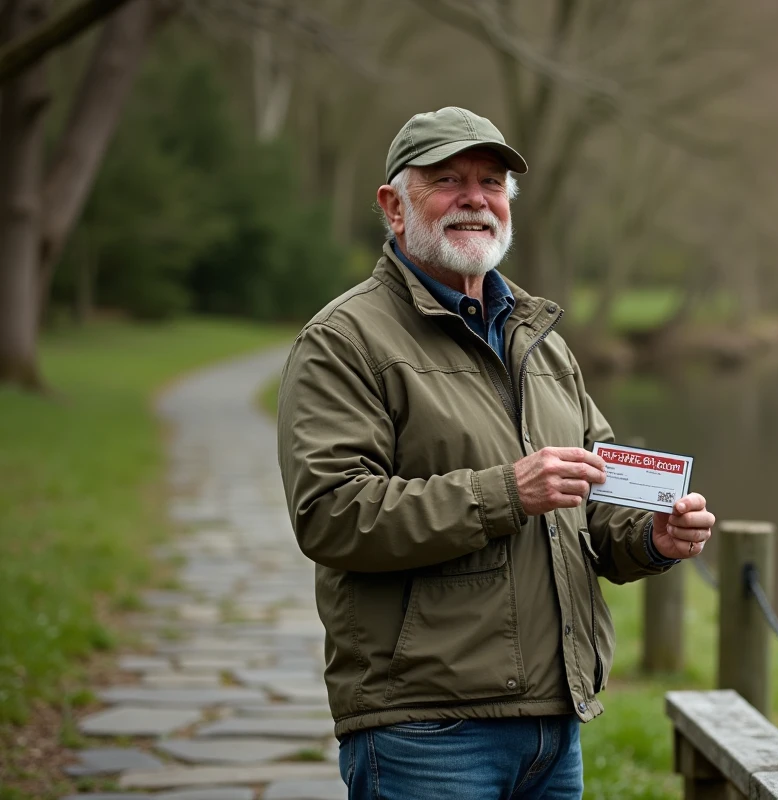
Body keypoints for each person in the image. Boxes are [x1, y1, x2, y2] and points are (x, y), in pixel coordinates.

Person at [276, 107, 715, 799]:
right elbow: (331, 514)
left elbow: (596, 502)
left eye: (491, 181)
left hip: (553, 725)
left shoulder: (541, 340)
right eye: (447, 179)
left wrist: (653, 537)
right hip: (425, 730)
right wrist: (506, 491)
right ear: (395, 207)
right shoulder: (344, 340)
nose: (475, 198)